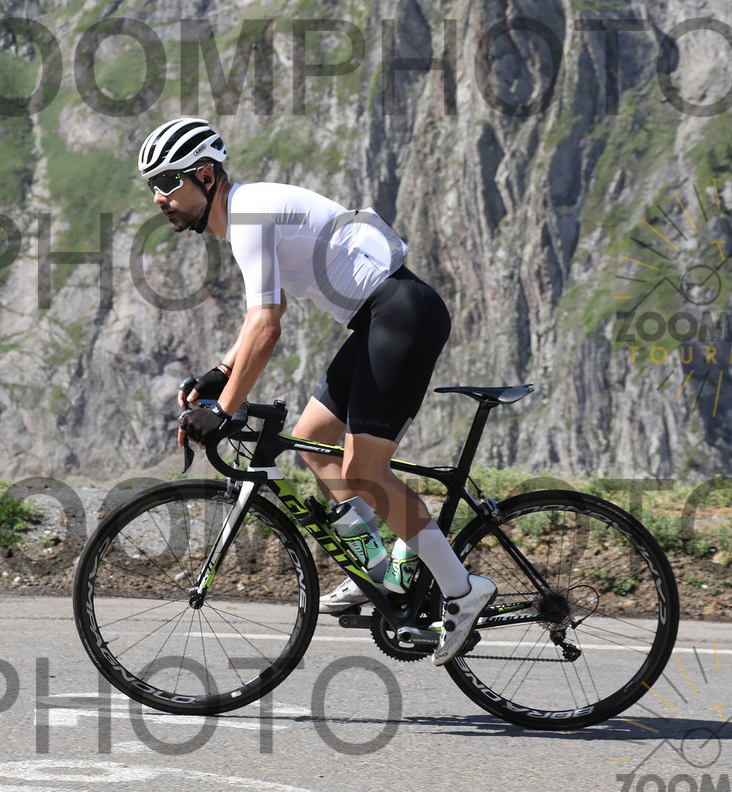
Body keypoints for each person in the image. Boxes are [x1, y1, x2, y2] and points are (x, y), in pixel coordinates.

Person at [138, 116, 495, 666]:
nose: (159, 198)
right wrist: (220, 371)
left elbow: (266, 327)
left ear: (205, 176)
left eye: (167, 182)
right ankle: (380, 571)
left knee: (365, 471)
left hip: (400, 313)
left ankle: (463, 591)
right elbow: (267, 311)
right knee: (312, 441)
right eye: (152, 186)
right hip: (381, 317)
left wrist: (224, 410)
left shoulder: (248, 215)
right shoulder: (245, 216)